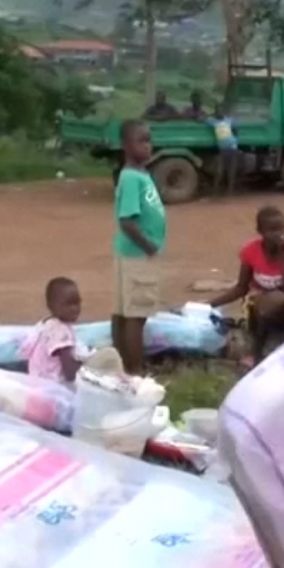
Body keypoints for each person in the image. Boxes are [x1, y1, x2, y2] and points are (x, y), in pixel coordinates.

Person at [205, 204, 284, 363]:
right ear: (260, 231)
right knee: (276, 297)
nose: (277, 234)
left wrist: (283, 254)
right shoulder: (250, 251)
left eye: (280, 229)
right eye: (271, 230)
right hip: (260, 306)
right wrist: (209, 304)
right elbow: (241, 288)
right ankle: (258, 349)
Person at [112, 119, 166, 376]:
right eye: (140, 141)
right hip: (138, 254)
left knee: (125, 312)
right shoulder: (132, 177)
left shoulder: (139, 174)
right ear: (125, 145)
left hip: (132, 254)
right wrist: (150, 247)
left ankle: (122, 366)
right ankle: (135, 370)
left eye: (149, 140)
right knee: (136, 315)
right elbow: (127, 221)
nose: (147, 146)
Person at [20, 276, 90, 384]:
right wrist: (89, 367)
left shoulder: (45, 324)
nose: (74, 308)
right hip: (53, 387)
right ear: (51, 306)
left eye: (77, 303)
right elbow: (70, 374)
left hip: (36, 382)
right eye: (68, 304)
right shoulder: (60, 331)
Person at [210, 107, 240, 197]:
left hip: (232, 148)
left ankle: (230, 191)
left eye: (221, 111)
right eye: (218, 111)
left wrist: (236, 140)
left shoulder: (229, 121)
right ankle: (215, 191)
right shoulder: (214, 122)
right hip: (223, 150)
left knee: (231, 171)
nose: (220, 113)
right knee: (220, 171)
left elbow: (237, 125)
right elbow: (204, 119)